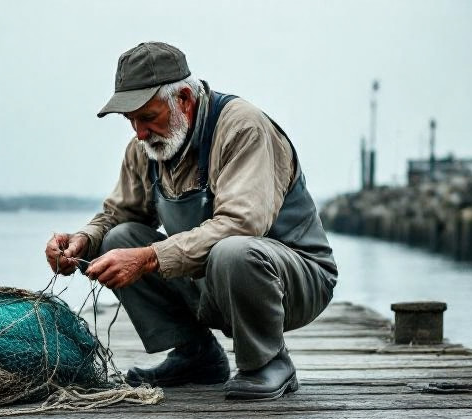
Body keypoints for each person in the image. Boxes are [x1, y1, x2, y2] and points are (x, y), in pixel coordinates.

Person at [44, 41, 337, 400]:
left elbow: (241, 225)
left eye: (148, 117)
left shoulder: (242, 127)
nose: (139, 132)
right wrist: (82, 241)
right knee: (117, 239)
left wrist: (149, 257)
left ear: (183, 98)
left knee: (233, 251)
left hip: (295, 280)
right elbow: (119, 214)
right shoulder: (146, 147)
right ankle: (196, 355)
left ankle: (268, 361)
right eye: (130, 120)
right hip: (211, 281)